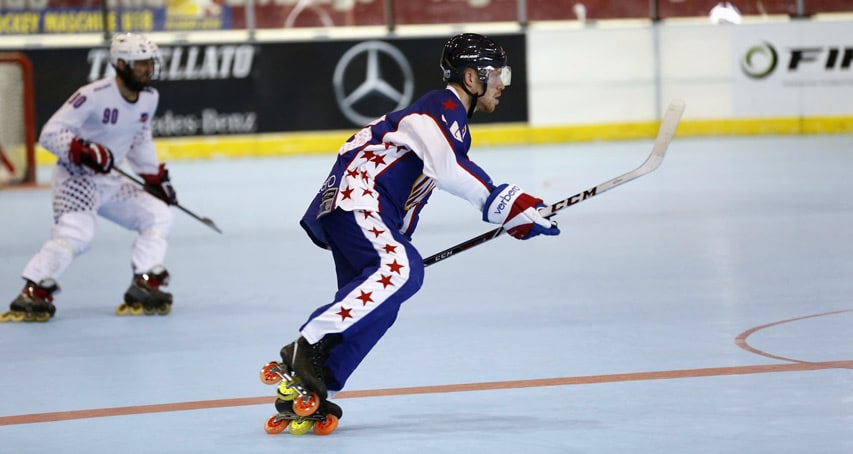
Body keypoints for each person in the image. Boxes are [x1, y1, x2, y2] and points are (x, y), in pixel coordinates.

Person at [270, 33, 560, 424]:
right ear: (472, 79)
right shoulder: (439, 106)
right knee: (404, 271)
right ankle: (310, 342)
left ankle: (317, 382)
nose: (503, 84)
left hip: (357, 211)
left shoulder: (448, 121)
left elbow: (425, 181)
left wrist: (508, 215)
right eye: (498, 74)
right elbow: (448, 169)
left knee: (384, 303)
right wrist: (504, 202)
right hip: (360, 201)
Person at [0, 33, 178, 323]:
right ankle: (34, 290)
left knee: (158, 214)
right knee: (77, 234)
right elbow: (50, 133)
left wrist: (153, 177)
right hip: (76, 181)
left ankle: (144, 282)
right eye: (140, 63)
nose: (148, 69)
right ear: (121, 64)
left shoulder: (149, 99)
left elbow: (139, 139)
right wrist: (84, 150)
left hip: (112, 184)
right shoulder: (93, 96)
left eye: (150, 63)